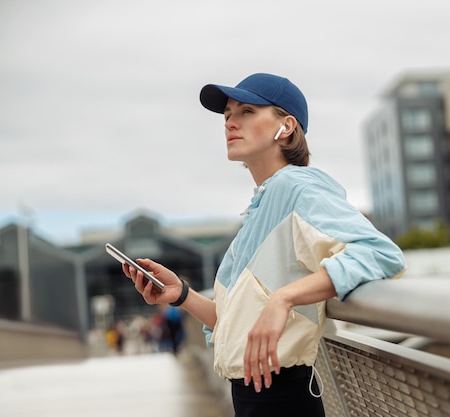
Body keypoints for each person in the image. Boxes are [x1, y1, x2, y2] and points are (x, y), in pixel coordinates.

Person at [122, 73, 406, 417]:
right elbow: (234, 320)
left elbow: (379, 254)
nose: (230, 123)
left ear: (285, 127)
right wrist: (181, 294)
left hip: (284, 396)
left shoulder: (299, 188)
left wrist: (284, 298)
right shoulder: (260, 209)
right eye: (227, 115)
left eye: (247, 112)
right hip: (253, 396)